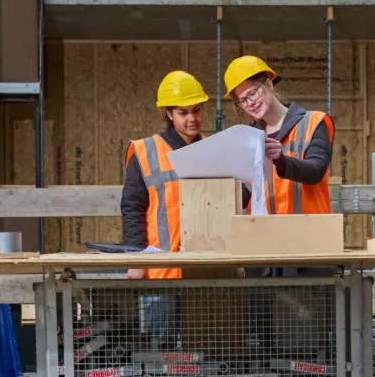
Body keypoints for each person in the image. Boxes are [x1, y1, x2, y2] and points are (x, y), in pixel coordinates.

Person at [121, 70, 208, 281]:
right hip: (161, 269)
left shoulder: (211, 148)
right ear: (169, 114)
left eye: (196, 110)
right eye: (183, 112)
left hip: (206, 268)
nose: (192, 118)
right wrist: (136, 259)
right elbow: (133, 208)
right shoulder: (145, 151)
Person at [223, 54, 333, 214]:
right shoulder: (249, 137)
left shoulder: (313, 122)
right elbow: (249, 190)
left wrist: (282, 160)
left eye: (252, 93)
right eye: (242, 101)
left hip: (309, 233)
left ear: (268, 85)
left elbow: (316, 172)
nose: (250, 103)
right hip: (267, 234)